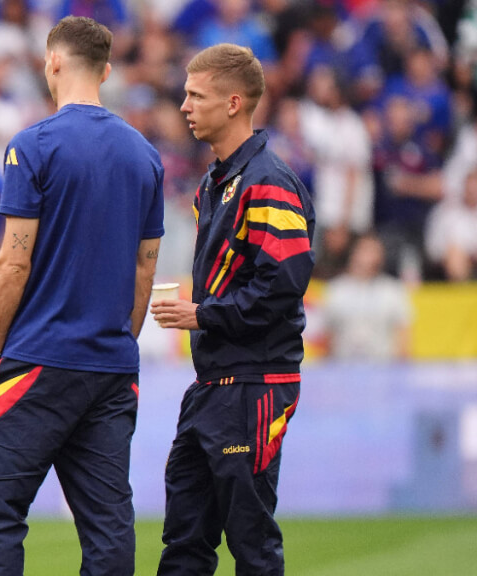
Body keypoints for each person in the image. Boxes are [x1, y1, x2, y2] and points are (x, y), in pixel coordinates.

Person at [0, 16, 164, 576]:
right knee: (107, 525)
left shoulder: (34, 145)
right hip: (110, 366)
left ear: (52, 61)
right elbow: (144, 271)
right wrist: (119, 342)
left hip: (33, 361)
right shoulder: (144, 154)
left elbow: (12, 260)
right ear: (106, 69)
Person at [151, 43, 315, 575]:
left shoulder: (268, 181)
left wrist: (204, 315)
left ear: (235, 103)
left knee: (251, 543)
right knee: (184, 542)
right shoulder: (214, 182)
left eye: (196, 95)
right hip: (212, 385)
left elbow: (284, 283)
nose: (184, 106)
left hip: (255, 384)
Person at [323, 233, 412, 360]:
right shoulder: (335, 290)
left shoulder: (393, 291)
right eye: (366, 250)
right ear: (353, 253)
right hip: (343, 370)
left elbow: (403, 340)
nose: (370, 256)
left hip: (384, 370)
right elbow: (327, 339)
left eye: (375, 251)